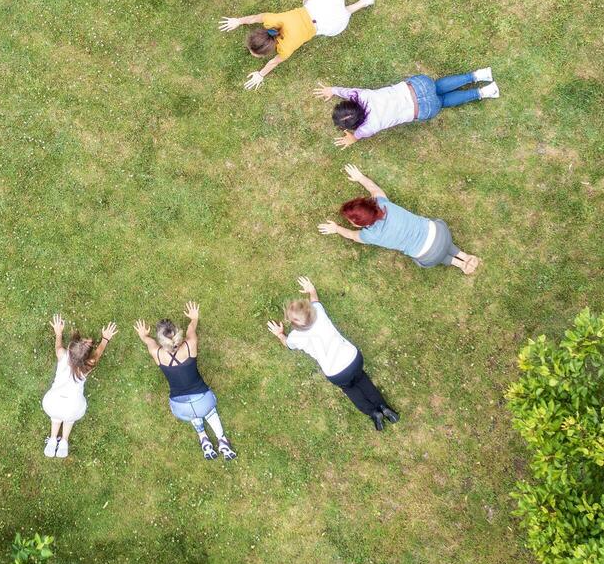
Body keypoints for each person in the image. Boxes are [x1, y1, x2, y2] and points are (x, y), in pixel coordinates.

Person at [265, 277, 399, 431]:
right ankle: (384, 407)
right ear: (311, 311)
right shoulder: (319, 313)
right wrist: (311, 289)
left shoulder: (296, 337)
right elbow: (315, 299)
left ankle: (374, 413)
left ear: (294, 325)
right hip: (354, 359)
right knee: (363, 380)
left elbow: (287, 344)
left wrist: (280, 334)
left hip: (336, 373)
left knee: (351, 390)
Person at [319, 165, 481, 274]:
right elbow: (373, 189)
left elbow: (353, 236)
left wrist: (336, 229)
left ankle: (457, 263)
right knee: (440, 240)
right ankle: (464, 256)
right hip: (440, 233)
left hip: (428, 256)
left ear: (360, 224)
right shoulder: (382, 204)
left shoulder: (369, 236)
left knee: (431, 255)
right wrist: (360, 177)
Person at [220, 0, 375, 90]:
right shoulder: (271, 21)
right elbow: (255, 18)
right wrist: (238, 21)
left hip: (328, 21)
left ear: (269, 50)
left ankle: (364, 2)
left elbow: (274, 63)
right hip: (321, 4)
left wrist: (260, 75)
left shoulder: (285, 49)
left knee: (344, 13)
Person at [133, 302, 236, 461]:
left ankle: (203, 438)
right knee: (208, 411)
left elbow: (146, 340)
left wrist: (143, 334)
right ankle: (222, 440)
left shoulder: (156, 352)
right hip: (203, 400)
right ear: (176, 334)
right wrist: (194, 318)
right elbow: (192, 327)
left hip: (180, 407)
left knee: (193, 411)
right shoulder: (190, 344)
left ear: (160, 340)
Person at [315, 68, 499, 145]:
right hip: (419, 86)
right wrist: (332, 90)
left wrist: (352, 138)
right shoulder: (361, 96)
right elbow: (347, 91)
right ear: (350, 103)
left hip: (424, 109)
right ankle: (478, 75)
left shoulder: (369, 127)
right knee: (436, 86)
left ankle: (483, 92)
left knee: (441, 102)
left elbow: (357, 136)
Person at [41, 315, 117, 459]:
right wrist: (105, 338)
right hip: (73, 407)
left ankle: (52, 440)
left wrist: (58, 333)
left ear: (69, 350)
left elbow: (58, 345)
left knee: (56, 416)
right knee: (69, 418)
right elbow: (99, 351)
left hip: (52, 404)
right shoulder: (87, 366)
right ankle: (63, 442)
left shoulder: (62, 355)